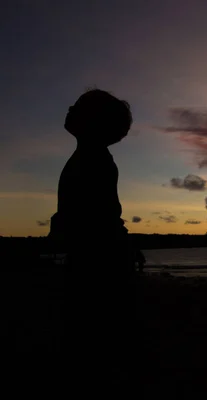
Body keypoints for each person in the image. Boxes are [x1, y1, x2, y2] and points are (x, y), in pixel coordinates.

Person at [49, 89, 137, 391]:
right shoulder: (90, 157)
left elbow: (105, 217)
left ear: (94, 122)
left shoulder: (95, 160)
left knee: (89, 343)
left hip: (96, 266)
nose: (70, 107)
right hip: (93, 260)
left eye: (79, 106)